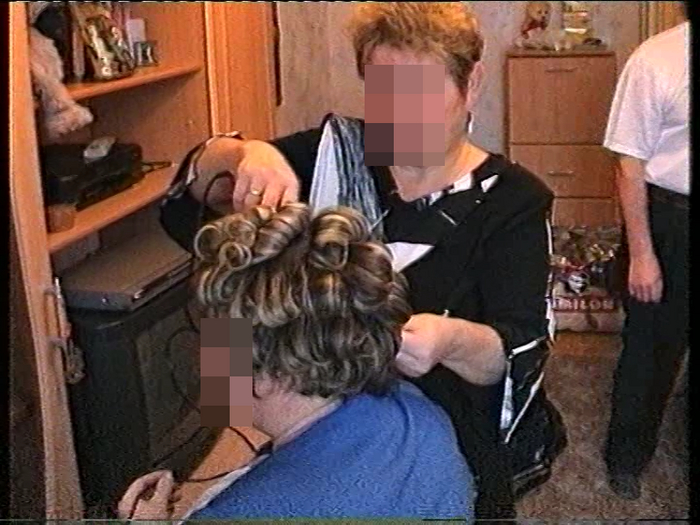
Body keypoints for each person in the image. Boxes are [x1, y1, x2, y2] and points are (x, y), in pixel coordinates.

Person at [160, 3, 566, 519]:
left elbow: (518, 353)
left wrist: (451, 340)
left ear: (472, 84)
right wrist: (240, 153)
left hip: (439, 446)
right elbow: (188, 222)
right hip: (315, 433)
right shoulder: (333, 156)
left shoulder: (515, 202)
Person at [119, 204, 475, 520]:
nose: (201, 356)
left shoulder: (237, 513)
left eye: (211, 337)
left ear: (268, 370)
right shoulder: (420, 413)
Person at [602, 7, 689, 500]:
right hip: (669, 223)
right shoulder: (655, 59)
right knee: (651, 353)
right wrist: (642, 255)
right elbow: (628, 164)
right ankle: (627, 457)